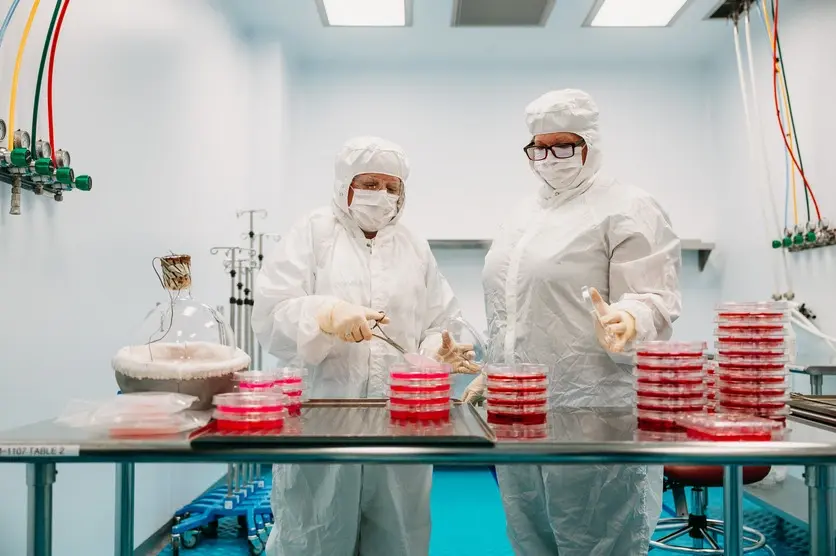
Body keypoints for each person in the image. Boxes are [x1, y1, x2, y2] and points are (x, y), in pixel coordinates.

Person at [463, 89, 682, 555]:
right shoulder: (524, 215)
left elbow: (655, 296)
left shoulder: (627, 206)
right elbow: (516, 310)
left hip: (594, 412)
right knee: (530, 536)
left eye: (564, 144)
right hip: (518, 413)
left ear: (591, 143)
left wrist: (629, 316)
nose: (549, 158)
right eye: (538, 147)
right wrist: (493, 371)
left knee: (599, 539)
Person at [252, 135, 475, 556]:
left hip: (401, 419)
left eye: (393, 187)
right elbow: (270, 317)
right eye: (370, 182)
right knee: (315, 534)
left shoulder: (412, 245)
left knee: (399, 536)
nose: (382, 195)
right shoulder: (313, 233)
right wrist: (326, 313)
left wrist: (435, 351)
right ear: (345, 185)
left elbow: (440, 319)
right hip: (323, 413)